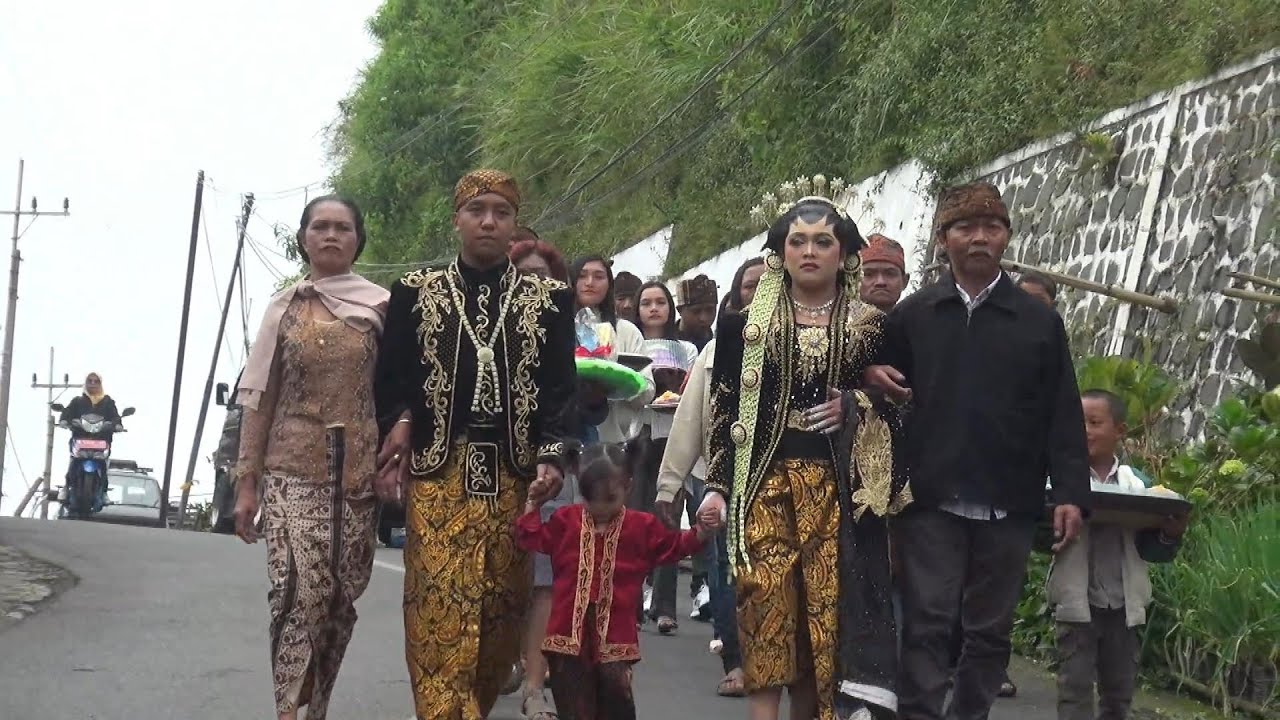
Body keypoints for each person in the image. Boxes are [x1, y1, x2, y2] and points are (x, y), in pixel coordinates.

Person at [865, 181, 1090, 720]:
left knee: (989, 632)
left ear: (1007, 237)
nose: (979, 238)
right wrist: (870, 375)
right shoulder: (915, 315)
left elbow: (1062, 409)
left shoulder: (1037, 322)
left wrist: (1070, 493)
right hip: (932, 495)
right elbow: (876, 392)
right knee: (928, 622)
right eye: (965, 228)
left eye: (991, 228)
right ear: (944, 240)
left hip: (1008, 497)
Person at [375, 169, 578, 720]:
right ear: (457, 219)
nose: (488, 221)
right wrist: (398, 422)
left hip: (515, 477)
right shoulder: (416, 292)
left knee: (499, 615)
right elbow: (389, 382)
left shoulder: (552, 299)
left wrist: (554, 455)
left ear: (514, 225)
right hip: (440, 470)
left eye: (501, 212)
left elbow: (563, 390)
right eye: (476, 210)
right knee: (438, 606)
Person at [704, 180, 910, 720]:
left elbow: (905, 405)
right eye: (798, 241)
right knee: (766, 605)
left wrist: (859, 403)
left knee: (824, 617)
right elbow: (726, 409)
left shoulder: (872, 328)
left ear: (843, 253)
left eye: (823, 241)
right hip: (763, 483)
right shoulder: (744, 327)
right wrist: (719, 487)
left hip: (838, 491)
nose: (810, 252)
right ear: (780, 252)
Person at [231, 195, 390, 720]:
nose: (330, 235)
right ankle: (286, 710)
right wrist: (246, 482)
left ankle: (315, 705)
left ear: (358, 240)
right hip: (289, 467)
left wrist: (396, 459)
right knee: (297, 590)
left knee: (339, 601)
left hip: (356, 476)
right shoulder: (284, 308)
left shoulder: (380, 307)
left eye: (342, 227)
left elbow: (396, 392)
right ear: (303, 237)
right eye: (319, 226)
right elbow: (260, 396)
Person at [516, 443, 721, 720]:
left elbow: (674, 546)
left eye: (609, 499)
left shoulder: (640, 527)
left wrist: (702, 531)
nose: (599, 508)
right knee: (574, 708)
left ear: (629, 487)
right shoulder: (566, 520)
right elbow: (532, 537)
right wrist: (532, 505)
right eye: (590, 499)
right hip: (566, 639)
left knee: (617, 704)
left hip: (615, 640)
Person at [657, 255, 765, 698]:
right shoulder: (717, 350)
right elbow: (688, 420)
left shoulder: (808, 341)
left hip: (781, 477)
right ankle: (736, 662)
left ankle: (775, 659)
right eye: (749, 285)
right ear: (736, 294)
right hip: (718, 479)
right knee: (724, 569)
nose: (758, 292)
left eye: (768, 282)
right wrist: (670, 483)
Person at [1049, 390, 1187, 720]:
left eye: (1094, 422)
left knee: (1119, 694)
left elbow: (1153, 549)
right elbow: (1042, 540)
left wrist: (1170, 533)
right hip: (1076, 605)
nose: (1084, 430)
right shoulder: (1059, 483)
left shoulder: (1138, 486)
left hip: (1124, 608)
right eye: (1077, 422)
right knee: (1074, 692)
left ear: (1120, 431)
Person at [508, 229, 577, 719]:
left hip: (551, 463)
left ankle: (535, 686)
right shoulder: (484, 328)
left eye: (543, 278)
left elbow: (572, 401)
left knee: (545, 581)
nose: (534, 285)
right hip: (490, 462)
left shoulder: (571, 332)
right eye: (524, 277)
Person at [630, 280, 698, 635]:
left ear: (671, 308)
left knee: (669, 516)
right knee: (637, 517)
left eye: (660, 302)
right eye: (646, 303)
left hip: (673, 438)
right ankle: (633, 599)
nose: (653, 308)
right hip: (639, 435)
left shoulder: (685, 348)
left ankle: (666, 606)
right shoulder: (632, 343)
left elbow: (693, 389)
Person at [570, 255, 653, 445]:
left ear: (609, 285)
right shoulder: (557, 328)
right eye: (582, 276)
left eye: (599, 277)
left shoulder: (626, 331)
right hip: (567, 445)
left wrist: (620, 381)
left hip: (616, 445)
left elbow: (648, 391)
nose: (590, 283)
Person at [859, 234, 910, 312]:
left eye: (890, 274)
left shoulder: (921, 323)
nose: (880, 282)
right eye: (868, 274)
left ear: (904, 281)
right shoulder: (837, 322)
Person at [676, 274, 718, 351]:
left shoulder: (720, 344)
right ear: (680, 310)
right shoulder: (665, 345)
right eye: (696, 311)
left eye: (710, 310)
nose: (704, 318)